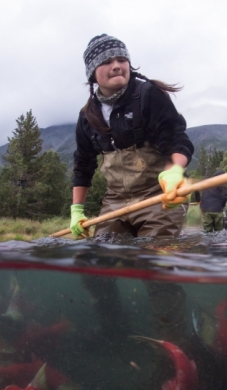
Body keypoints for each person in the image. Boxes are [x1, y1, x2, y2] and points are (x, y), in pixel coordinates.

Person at [69, 34, 194, 342]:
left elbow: (177, 140)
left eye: (121, 59)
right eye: (107, 61)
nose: (116, 65)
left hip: (158, 197)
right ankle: (114, 326)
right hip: (115, 202)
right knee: (92, 263)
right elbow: (82, 165)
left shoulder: (148, 95)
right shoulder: (88, 117)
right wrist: (77, 210)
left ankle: (178, 345)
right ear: (92, 73)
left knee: (155, 268)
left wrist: (175, 170)